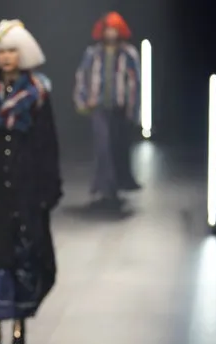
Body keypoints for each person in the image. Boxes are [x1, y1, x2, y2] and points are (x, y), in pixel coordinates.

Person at [0, 20, 62, 344]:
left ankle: (20, 325)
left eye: (11, 51)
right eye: (2, 52)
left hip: (26, 183)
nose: (7, 57)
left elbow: (47, 141)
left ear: (20, 55)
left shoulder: (36, 93)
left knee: (24, 255)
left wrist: (49, 185)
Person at [74, 11, 141, 205]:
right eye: (108, 29)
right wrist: (82, 100)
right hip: (98, 107)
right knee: (103, 146)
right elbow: (82, 77)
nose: (110, 33)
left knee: (116, 147)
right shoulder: (92, 54)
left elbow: (135, 83)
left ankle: (115, 185)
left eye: (114, 29)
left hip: (119, 108)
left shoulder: (129, 54)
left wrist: (134, 109)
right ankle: (104, 186)